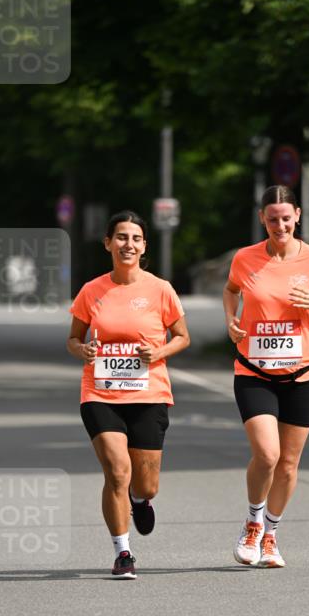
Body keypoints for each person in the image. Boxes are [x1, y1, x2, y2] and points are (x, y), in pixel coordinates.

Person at [224, 185, 309, 568]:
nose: (280, 225)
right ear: (263, 219)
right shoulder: (245, 259)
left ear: (298, 216)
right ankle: (253, 523)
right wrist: (231, 320)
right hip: (255, 370)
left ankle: (272, 534)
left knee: (289, 463)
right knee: (267, 453)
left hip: (305, 372)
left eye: (286, 218)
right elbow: (231, 290)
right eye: (272, 219)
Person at [67, 210, 190, 579]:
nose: (128, 245)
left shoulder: (160, 289)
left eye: (135, 239)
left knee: (145, 481)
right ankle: (123, 552)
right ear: (108, 243)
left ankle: (140, 500)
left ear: (144, 246)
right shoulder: (92, 290)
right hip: (100, 394)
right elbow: (74, 339)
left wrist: (160, 352)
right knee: (117, 472)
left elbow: (182, 336)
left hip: (148, 394)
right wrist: (82, 350)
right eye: (121, 237)